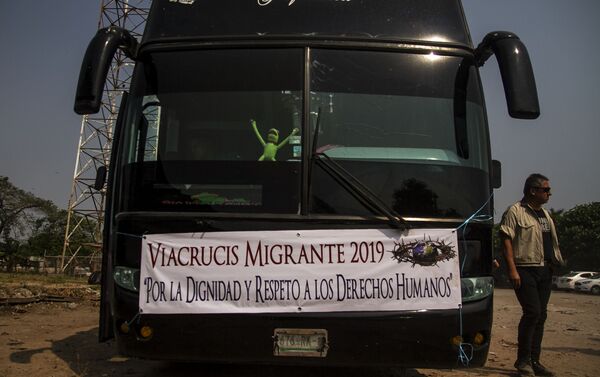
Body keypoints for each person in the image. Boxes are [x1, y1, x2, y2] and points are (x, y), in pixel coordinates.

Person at [499, 173, 564, 376]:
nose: (549, 193)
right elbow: (506, 240)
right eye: (545, 189)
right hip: (524, 269)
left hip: (545, 270)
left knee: (541, 315)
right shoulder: (514, 211)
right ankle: (523, 360)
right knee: (533, 312)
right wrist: (511, 269)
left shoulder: (545, 215)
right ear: (532, 190)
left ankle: (535, 361)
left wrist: (557, 262)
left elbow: (552, 243)